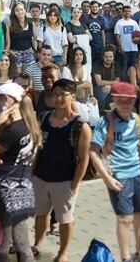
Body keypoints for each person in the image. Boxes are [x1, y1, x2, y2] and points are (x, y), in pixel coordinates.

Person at [32, 78, 92, 262]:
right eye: (55, 94)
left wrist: (75, 184)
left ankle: (63, 252)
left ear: (72, 96)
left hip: (64, 180)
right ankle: (37, 243)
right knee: (40, 214)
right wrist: (31, 173)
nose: (58, 98)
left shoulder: (80, 126)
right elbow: (36, 149)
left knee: (65, 218)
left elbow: (84, 159)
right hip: (41, 177)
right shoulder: (43, 119)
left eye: (62, 95)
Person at [89, 82, 140, 262]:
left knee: (139, 216)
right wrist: (107, 179)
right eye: (121, 100)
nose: (125, 104)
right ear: (114, 100)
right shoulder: (106, 122)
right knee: (125, 218)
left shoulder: (137, 120)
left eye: (129, 101)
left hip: (138, 174)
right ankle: (125, 257)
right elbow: (93, 151)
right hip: (118, 176)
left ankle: (138, 253)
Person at [0, 82, 39, 262]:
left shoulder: (12, 130)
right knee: (8, 240)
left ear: (8, 99)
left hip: (6, 188)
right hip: (23, 185)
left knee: (18, 242)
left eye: (1, 99)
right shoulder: (29, 125)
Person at [4, 1, 38, 68]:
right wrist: (9, 52)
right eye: (17, 10)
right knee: (17, 77)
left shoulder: (31, 24)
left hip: (29, 54)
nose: (20, 12)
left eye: (21, 9)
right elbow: (8, 42)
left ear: (25, 10)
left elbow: (34, 39)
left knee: (28, 77)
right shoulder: (9, 26)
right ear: (14, 12)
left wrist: (35, 50)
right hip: (16, 54)